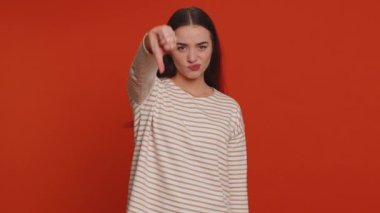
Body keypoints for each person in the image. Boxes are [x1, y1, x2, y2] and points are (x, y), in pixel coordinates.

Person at [127, 6, 249, 213]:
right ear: (168, 50)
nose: (193, 57)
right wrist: (150, 41)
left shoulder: (229, 109)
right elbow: (139, 73)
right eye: (181, 47)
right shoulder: (151, 95)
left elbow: (236, 192)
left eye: (202, 47)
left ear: (213, 48)